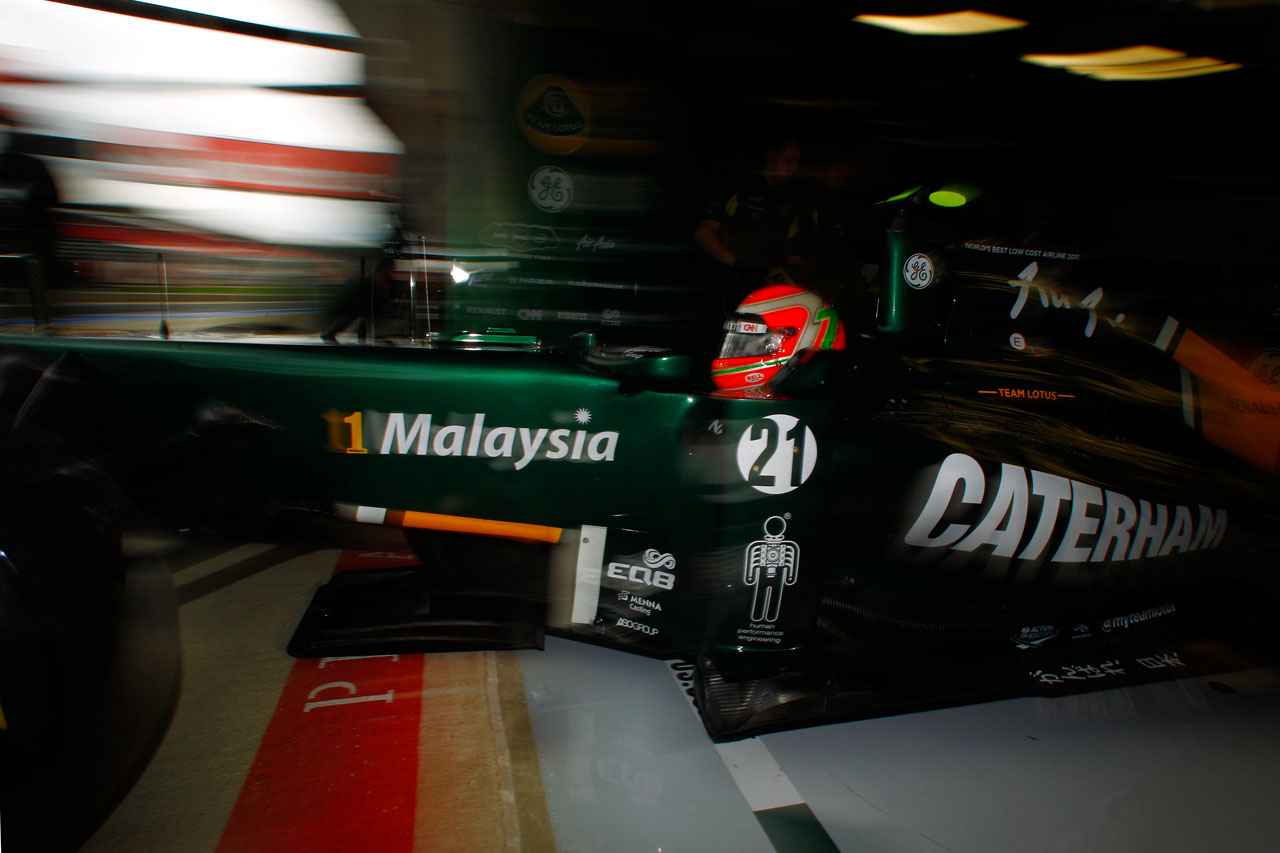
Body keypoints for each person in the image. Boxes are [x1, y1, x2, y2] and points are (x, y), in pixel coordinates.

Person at [693, 137, 806, 312]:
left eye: (798, 162)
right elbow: (703, 234)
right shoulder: (737, 189)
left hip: (768, 297)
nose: (793, 168)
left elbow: (794, 258)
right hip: (727, 291)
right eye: (789, 160)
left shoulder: (789, 205)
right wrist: (740, 266)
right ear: (771, 156)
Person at [1, 113, 59, 329]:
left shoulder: (31, 166)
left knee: (31, 301)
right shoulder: (32, 166)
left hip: (28, 247)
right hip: (24, 247)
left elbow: (50, 199)